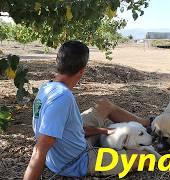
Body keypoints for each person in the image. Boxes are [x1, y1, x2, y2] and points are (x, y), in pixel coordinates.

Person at [23, 40, 150, 179]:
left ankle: (147, 123)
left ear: (58, 62)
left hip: (73, 147)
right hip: (78, 162)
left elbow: (70, 130)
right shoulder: (62, 98)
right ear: (82, 71)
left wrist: (104, 131)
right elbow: (40, 150)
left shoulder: (46, 87)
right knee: (146, 158)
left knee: (104, 106)